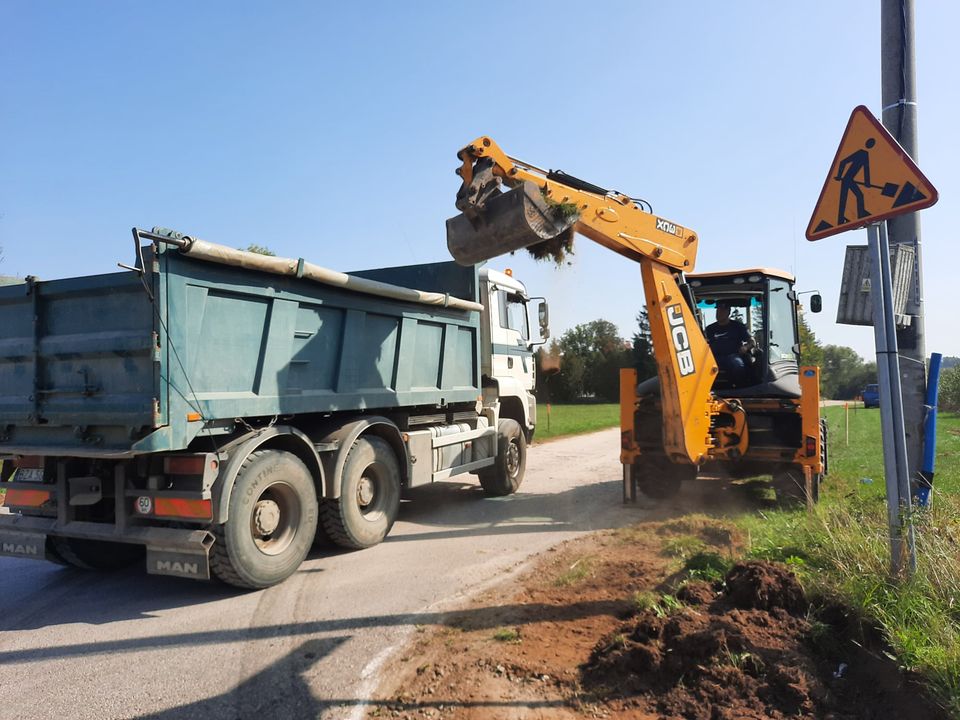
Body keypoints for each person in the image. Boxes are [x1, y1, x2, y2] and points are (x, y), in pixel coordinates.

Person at [705, 300, 753, 385]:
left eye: (722, 311)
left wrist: (745, 347)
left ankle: (740, 388)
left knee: (737, 364)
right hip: (714, 358)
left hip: (733, 356)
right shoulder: (710, 329)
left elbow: (752, 341)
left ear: (728, 312)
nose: (719, 313)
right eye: (718, 310)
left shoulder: (738, 327)